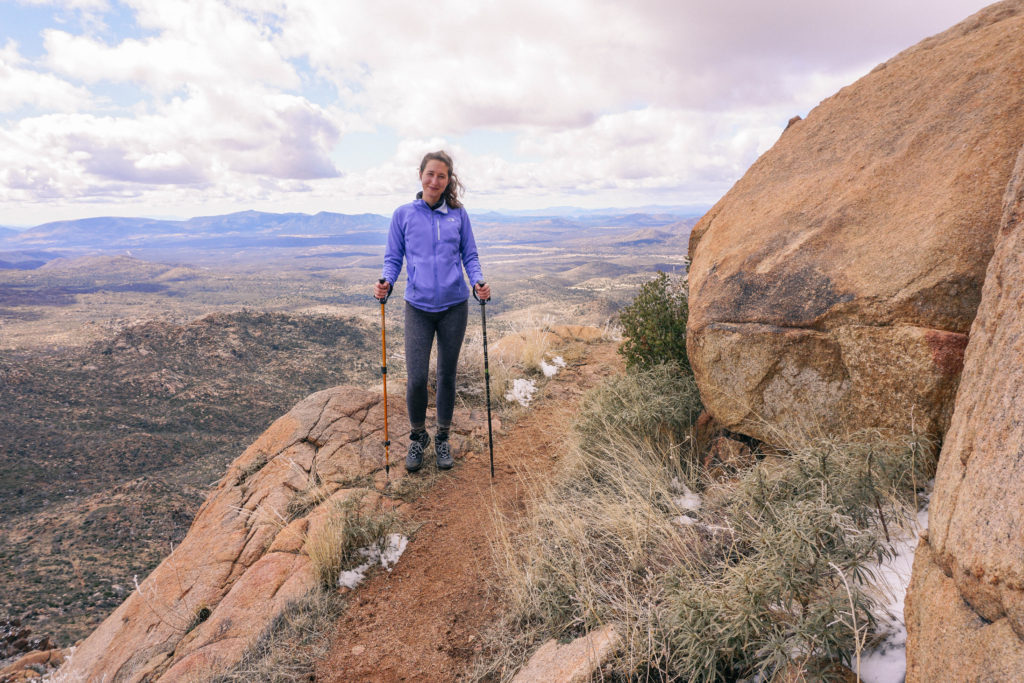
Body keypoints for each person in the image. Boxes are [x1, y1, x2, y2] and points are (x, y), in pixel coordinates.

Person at [374, 150, 491, 472]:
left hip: (454, 305)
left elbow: (470, 254)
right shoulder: (403, 215)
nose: (435, 181)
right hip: (418, 307)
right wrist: (386, 281)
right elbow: (393, 257)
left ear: (448, 180)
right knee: (415, 379)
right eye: (430, 174)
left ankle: (442, 437)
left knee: (447, 376)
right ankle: (417, 438)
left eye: (441, 176)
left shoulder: (458, 214)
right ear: (421, 175)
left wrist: (478, 280)